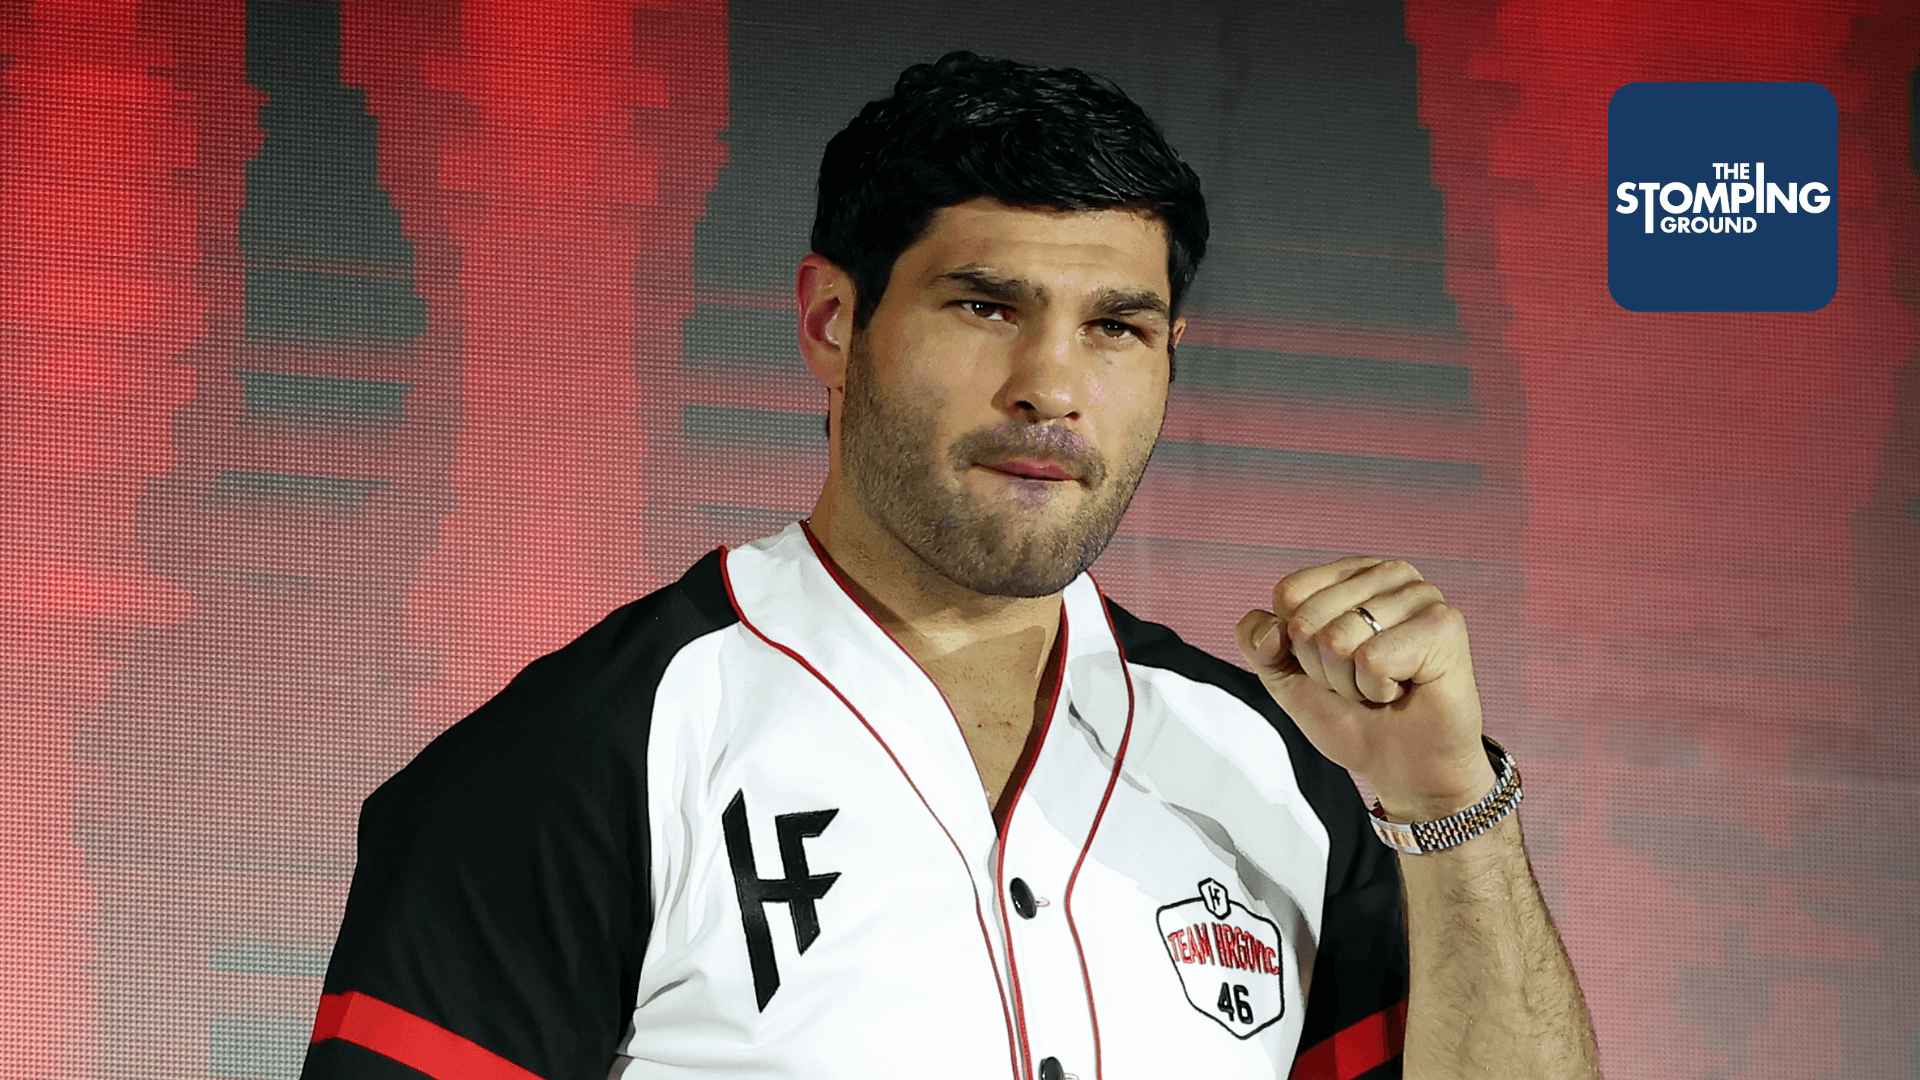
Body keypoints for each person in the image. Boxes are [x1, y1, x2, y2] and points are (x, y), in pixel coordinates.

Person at [300, 51, 1601, 1080]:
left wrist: (1446, 803)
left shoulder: (1275, 765)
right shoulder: (588, 753)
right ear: (833, 321)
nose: (1051, 386)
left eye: (1116, 327)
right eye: (986, 307)